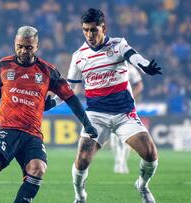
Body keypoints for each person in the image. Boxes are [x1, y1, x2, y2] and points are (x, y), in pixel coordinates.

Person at [0, 26, 97, 203]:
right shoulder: (4, 65)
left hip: (32, 133)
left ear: (36, 46)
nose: (23, 51)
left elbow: (70, 97)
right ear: (15, 44)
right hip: (7, 128)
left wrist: (87, 123)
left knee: (38, 168)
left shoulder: (47, 71)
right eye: (19, 46)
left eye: (28, 47)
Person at [45, 8, 161, 203]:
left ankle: (142, 185)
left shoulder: (118, 45)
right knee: (82, 159)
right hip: (96, 116)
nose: (90, 34)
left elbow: (134, 56)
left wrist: (145, 65)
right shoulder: (79, 56)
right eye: (86, 30)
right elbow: (70, 88)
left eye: (93, 30)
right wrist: (53, 102)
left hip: (124, 114)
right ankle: (80, 196)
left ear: (103, 28)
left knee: (150, 154)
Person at [110, 64, 144, 174]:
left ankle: (123, 162)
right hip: (110, 104)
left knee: (127, 135)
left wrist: (131, 96)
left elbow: (139, 85)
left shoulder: (130, 68)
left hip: (126, 105)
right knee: (113, 136)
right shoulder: (106, 65)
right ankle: (117, 161)